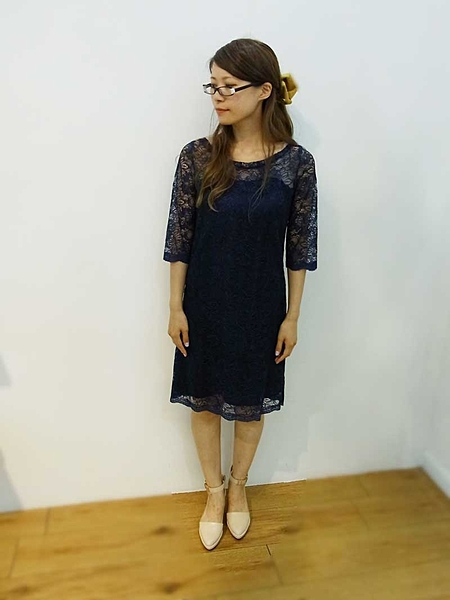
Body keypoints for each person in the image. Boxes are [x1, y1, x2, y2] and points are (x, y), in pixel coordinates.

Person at [163, 38, 318, 550]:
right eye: (213, 85)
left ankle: (237, 487)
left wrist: (292, 316)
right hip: (204, 303)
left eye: (230, 86)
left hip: (261, 306)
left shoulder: (296, 164)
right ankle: (213, 491)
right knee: (204, 401)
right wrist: (175, 306)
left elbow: (300, 247)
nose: (218, 96)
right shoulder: (198, 157)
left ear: (265, 91)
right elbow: (179, 238)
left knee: (250, 403)